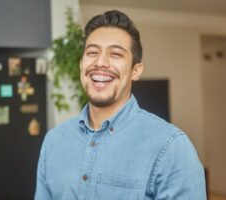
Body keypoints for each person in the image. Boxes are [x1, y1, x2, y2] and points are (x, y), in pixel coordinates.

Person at [35, 10, 206, 200]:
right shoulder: (53, 142)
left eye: (115, 54)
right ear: (81, 64)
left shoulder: (171, 147)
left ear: (136, 71)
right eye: (92, 52)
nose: (100, 62)